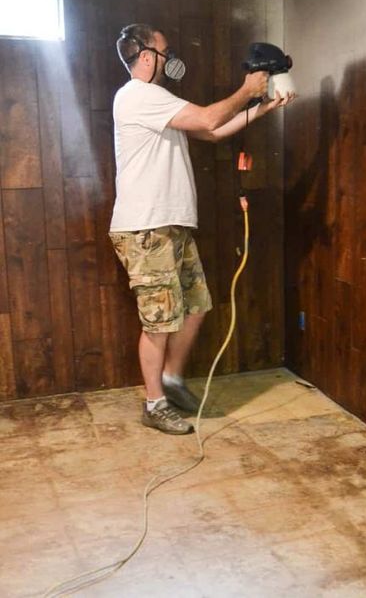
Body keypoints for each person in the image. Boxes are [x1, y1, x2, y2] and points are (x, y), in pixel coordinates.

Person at [109, 23, 294, 435]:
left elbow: (211, 130)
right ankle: (154, 404)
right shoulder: (137, 96)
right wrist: (247, 90)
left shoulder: (159, 99)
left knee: (196, 307)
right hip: (146, 228)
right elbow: (211, 117)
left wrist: (263, 107)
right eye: (165, 50)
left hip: (171, 225)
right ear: (146, 57)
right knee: (159, 322)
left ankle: (172, 380)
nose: (171, 57)